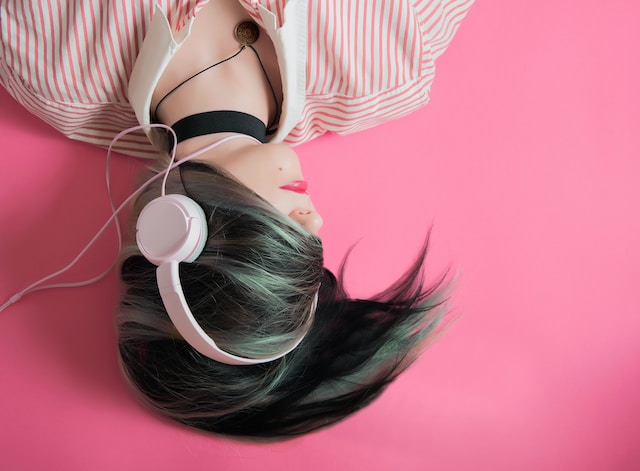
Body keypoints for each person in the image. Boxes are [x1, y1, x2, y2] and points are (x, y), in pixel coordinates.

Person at [0, 0, 473, 439]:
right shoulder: (389, 64)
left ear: (177, 230)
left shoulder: (50, 65)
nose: (316, 223)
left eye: (280, 247)